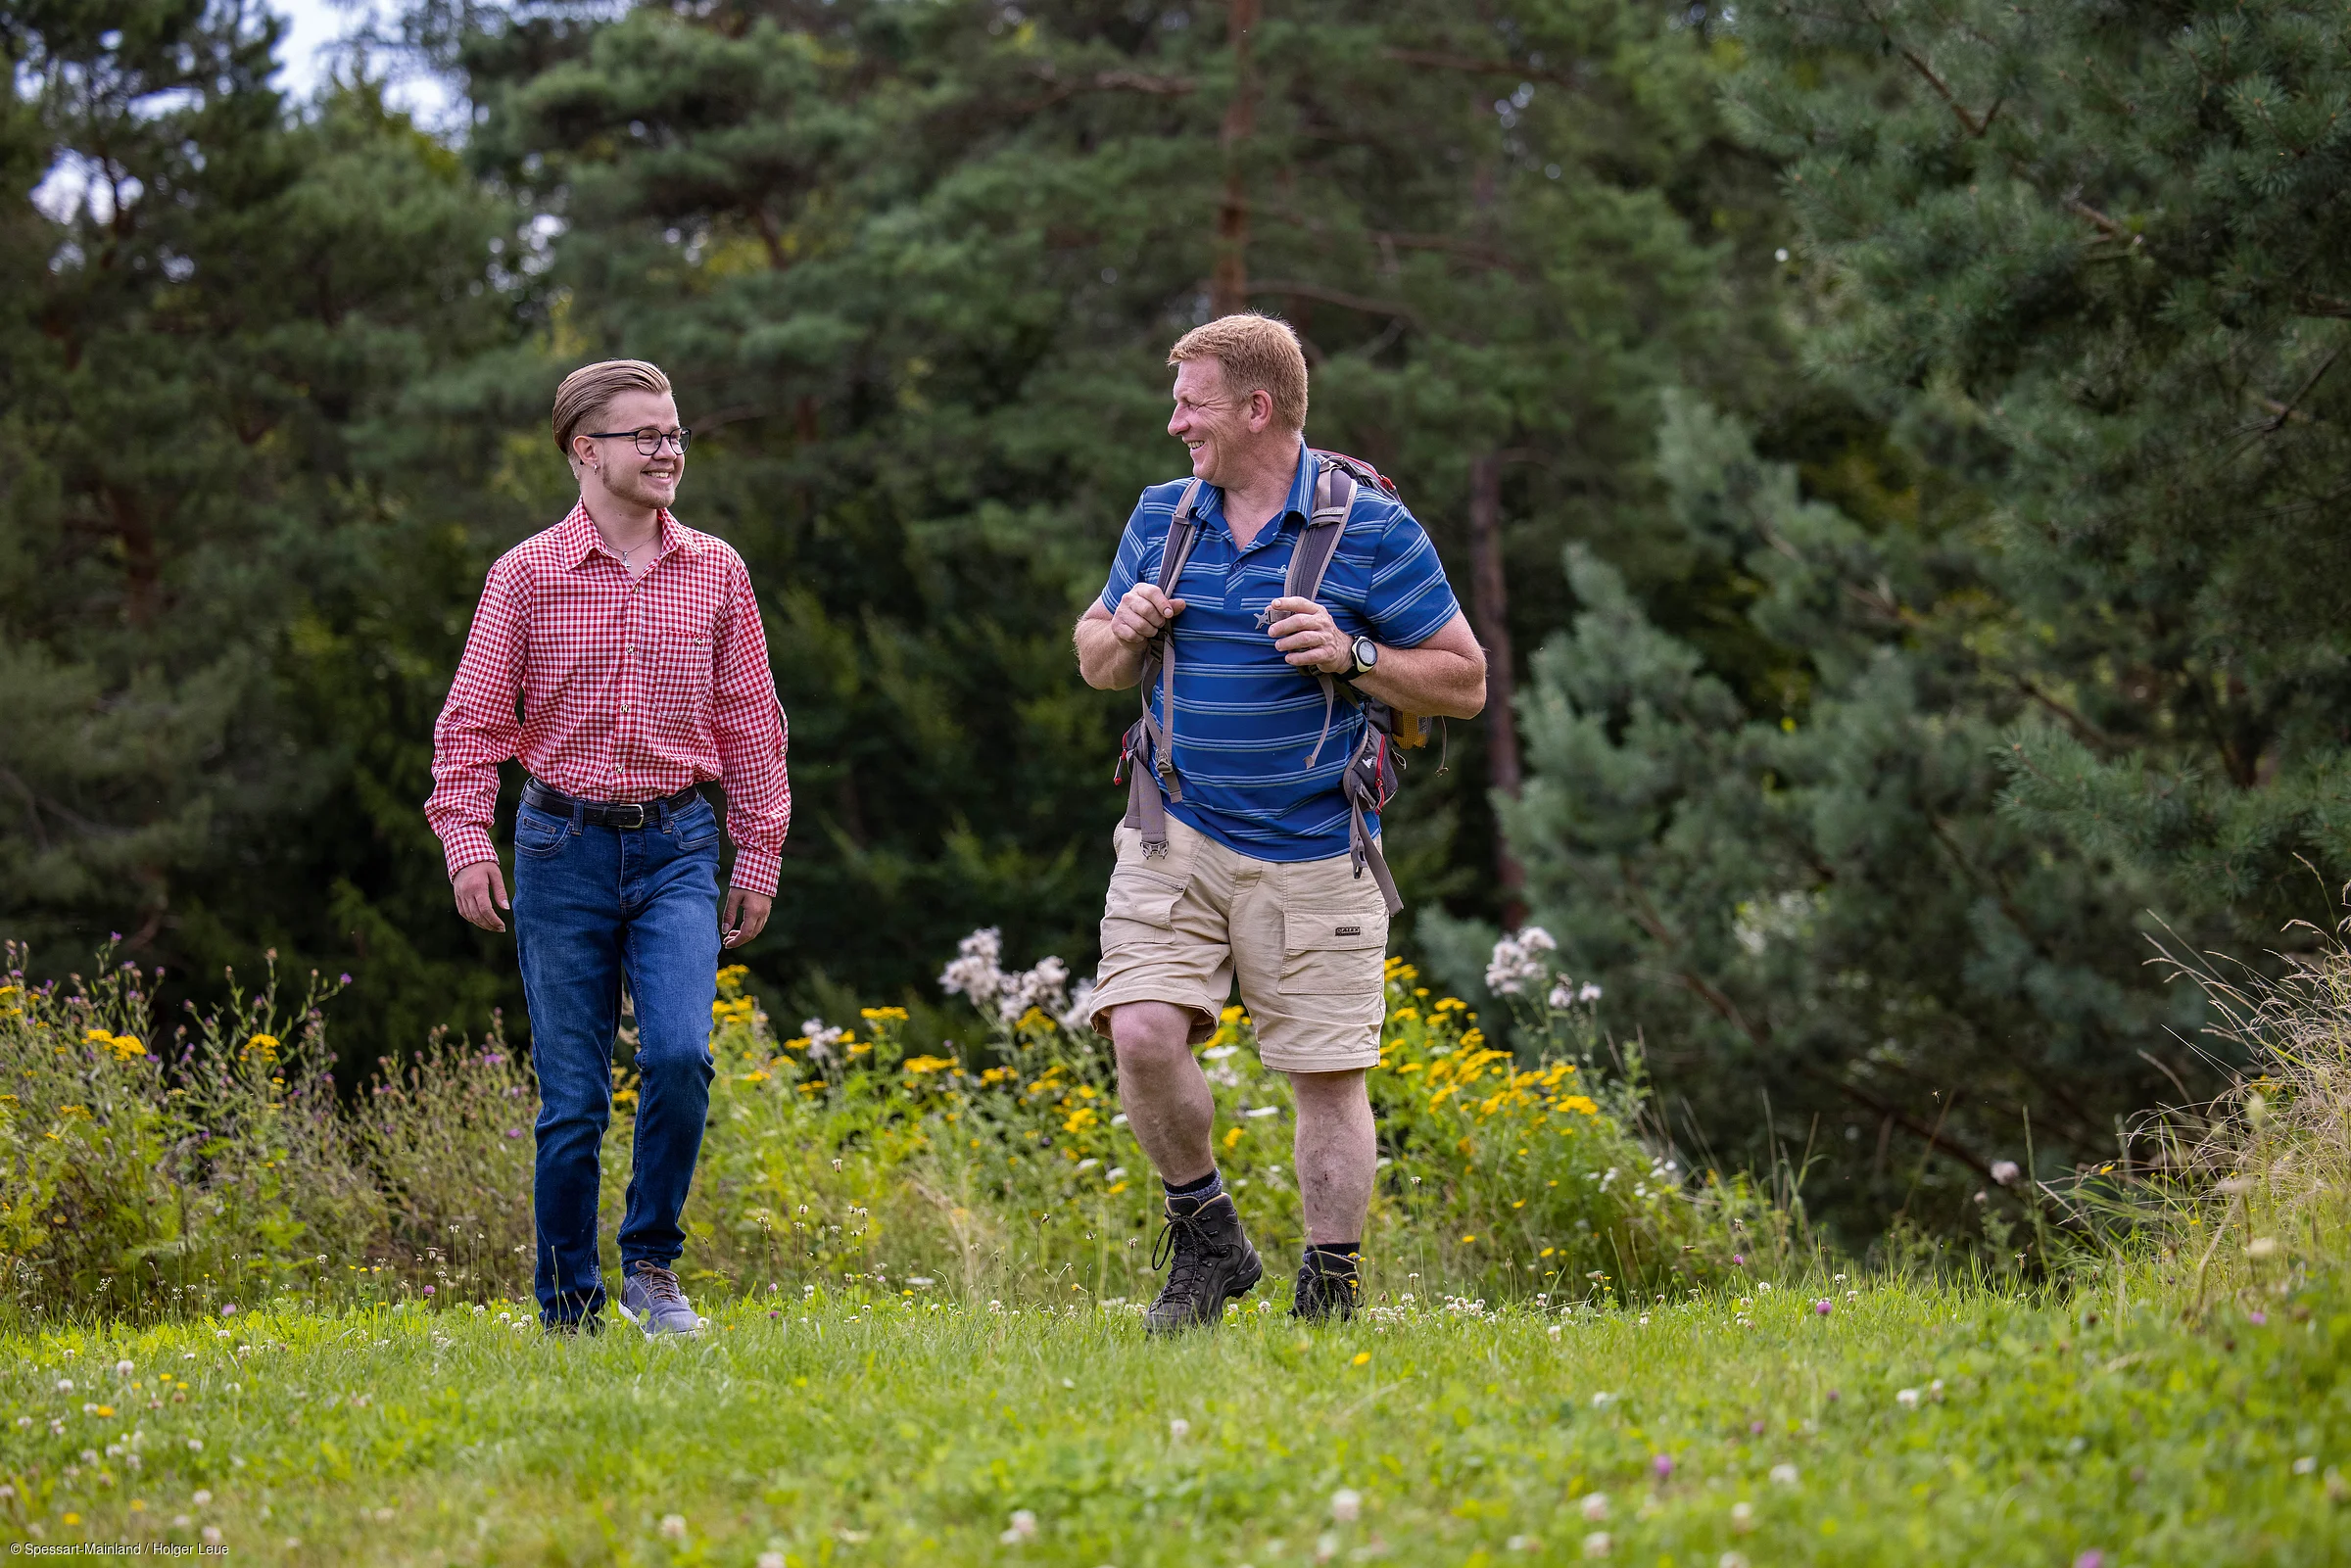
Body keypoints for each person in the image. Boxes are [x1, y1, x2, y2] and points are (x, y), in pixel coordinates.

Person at [1074, 314, 1487, 1331]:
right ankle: (1206, 1233)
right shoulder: (1164, 515)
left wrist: (1356, 655)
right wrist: (1123, 628)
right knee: (1140, 1029)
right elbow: (1096, 656)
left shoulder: (1374, 529)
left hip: (1318, 846)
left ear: (1257, 408)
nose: (1176, 423)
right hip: (1172, 828)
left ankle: (1330, 1290)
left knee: (1326, 1077)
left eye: (1193, 403)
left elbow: (1465, 679)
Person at [425, 358, 791, 1337]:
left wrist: (757, 854)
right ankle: (568, 1306)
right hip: (560, 847)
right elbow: (470, 724)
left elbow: (752, 723)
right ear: (586, 449)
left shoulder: (717, 571)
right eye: (647, 435)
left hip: (678, 843)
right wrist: (466, 838)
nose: (669, 450)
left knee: (678, 1056)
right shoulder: (527, 573)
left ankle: (653, 1267)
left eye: (675, 433)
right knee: (574, 1099)